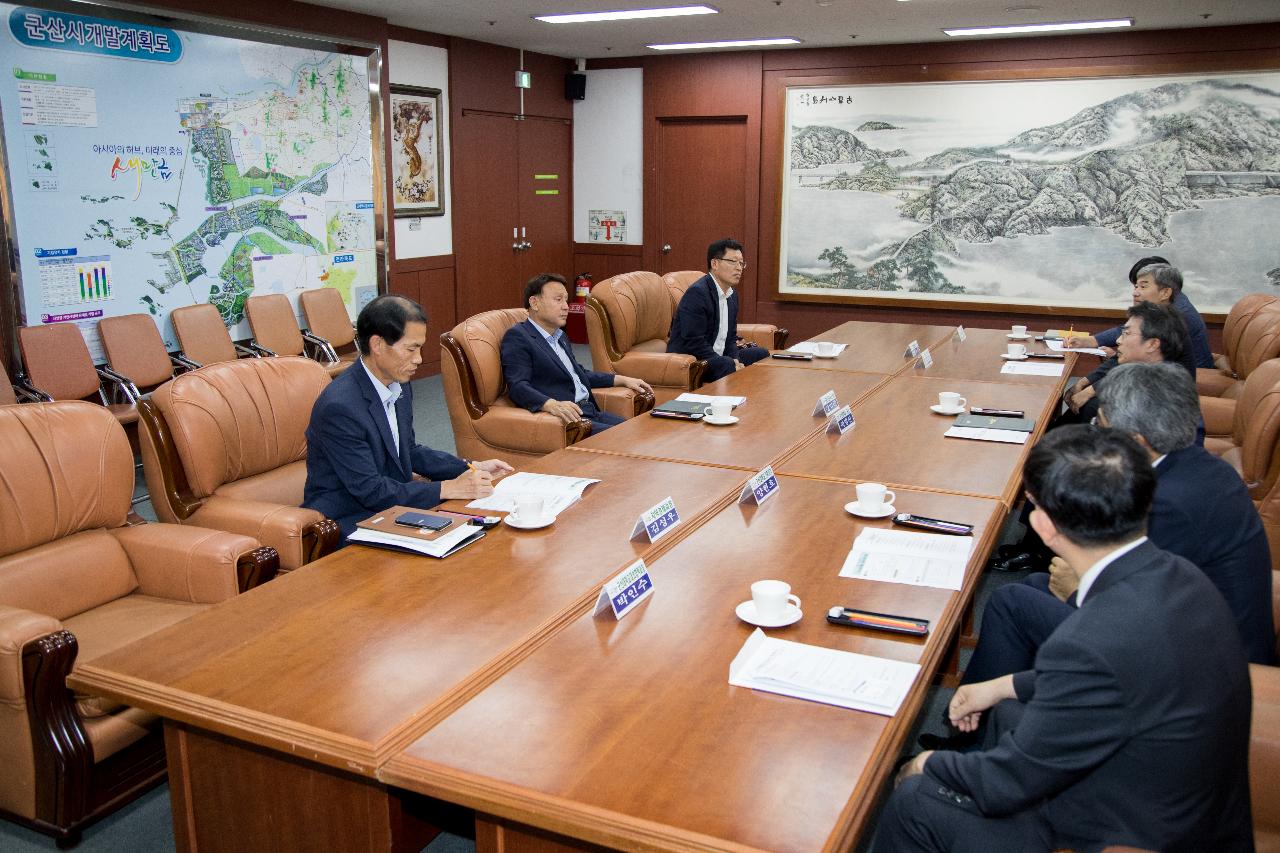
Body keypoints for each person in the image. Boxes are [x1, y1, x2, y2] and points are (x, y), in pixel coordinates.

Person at [877, 426, 1254, 853]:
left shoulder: (1089, 639)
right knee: (1008, 713)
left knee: (915, 799)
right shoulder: (1182, 577)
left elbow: (1007, 783)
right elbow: (1117, 677)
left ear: (1043, 525)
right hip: (1188, 804)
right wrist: (1001, 685)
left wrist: (928, 764)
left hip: (1134, 832)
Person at [964, 363, 1275, 693]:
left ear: (1136, 441)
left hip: (1196, 663)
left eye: (1102, 427)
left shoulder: (1167, 503)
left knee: (1011, 602)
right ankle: (1014, 712)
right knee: (1037, 583)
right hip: (1187, 627)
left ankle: (976, 724)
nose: (1095, 433)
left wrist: (1077, 590)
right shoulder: (1199, 467)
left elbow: (1138, 610)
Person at [303, 295, 513, 541]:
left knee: (480, 531)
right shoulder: (340, 407)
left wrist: (469, 466)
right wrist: (448, 487)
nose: (419, 359)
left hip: (397, 506)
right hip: (350, 519)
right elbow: (370, 491)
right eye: (411, 348)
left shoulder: (399, 385)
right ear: (378, 345)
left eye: (420, 347)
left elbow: (409, 451)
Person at [502, 273, 652, 433]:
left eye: (566, 300)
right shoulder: (519, 336)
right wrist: (551, 404)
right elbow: (518, 386)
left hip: (590, 411)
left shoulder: (560, 336)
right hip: (571, 419)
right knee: (628, 437)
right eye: (558, 299)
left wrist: (621, 379)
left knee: (641, 432)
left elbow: (579, 374)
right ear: (535, 302)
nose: (566, 306)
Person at [1064, 258, 1213, 368]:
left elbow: (1147, 356)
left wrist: (1117, 359)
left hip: (1186, 379)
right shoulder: (1171, 301)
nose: (1135, 293)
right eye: (1136, 286)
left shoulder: (1177, 314)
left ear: (1165, 290)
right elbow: (1128, 330)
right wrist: (1090, 341)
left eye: (1143, 286)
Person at [666, 238, 769, 382]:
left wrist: (735, 360)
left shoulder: (732, 295)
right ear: (714, 263)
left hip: (718, 357)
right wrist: (728, 362)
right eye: (733, 262)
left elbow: (731, 338)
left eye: (741, 263)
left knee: (761, 354)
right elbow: (694, 342)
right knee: (726, 364)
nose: (739, 268)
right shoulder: (697, 293)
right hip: (693, 360)